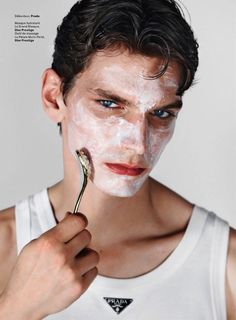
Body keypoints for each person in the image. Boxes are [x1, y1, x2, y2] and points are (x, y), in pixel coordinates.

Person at [0, 0, 235, 319]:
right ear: (53, 97)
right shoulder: (4, 247)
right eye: (110, 104)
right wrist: (16, 308)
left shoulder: (225, 267)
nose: (138, 143)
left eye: (161, 113)